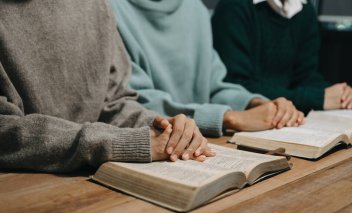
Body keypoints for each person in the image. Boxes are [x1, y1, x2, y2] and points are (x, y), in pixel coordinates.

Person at [0, 0, 214, 173]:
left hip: (95, 175)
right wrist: (120, 142)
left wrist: (157, 125)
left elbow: (113, 101)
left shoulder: (97, 5)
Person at [111, 0, 305, 138]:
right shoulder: (107, 10)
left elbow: (214, 85)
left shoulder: (196, 8)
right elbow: (130, 100)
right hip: (154, 141)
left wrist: (257, 103)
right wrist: (229, 118)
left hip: (204, 142)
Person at [212, 0, 352, 113]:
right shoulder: (234, 7)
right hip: (250, 117)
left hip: (290, 116)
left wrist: (341, 96)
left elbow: (306, 76)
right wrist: (319, 98)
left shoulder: (304, 9)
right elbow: (235, 86)